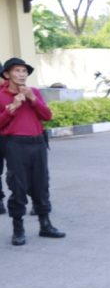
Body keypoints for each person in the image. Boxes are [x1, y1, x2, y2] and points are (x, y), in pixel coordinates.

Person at [0, 58, 64, 246]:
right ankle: (18, 229)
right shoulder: (1, 95)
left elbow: (47, 116)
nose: (22, 74)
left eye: (24, 71)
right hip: (15, 144)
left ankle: (46, 225)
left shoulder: (33, 92)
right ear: (6, 74)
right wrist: (13, 107)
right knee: (17, 186)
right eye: (17, 71)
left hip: (37, 143)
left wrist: (32, 99)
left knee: (41, 184)